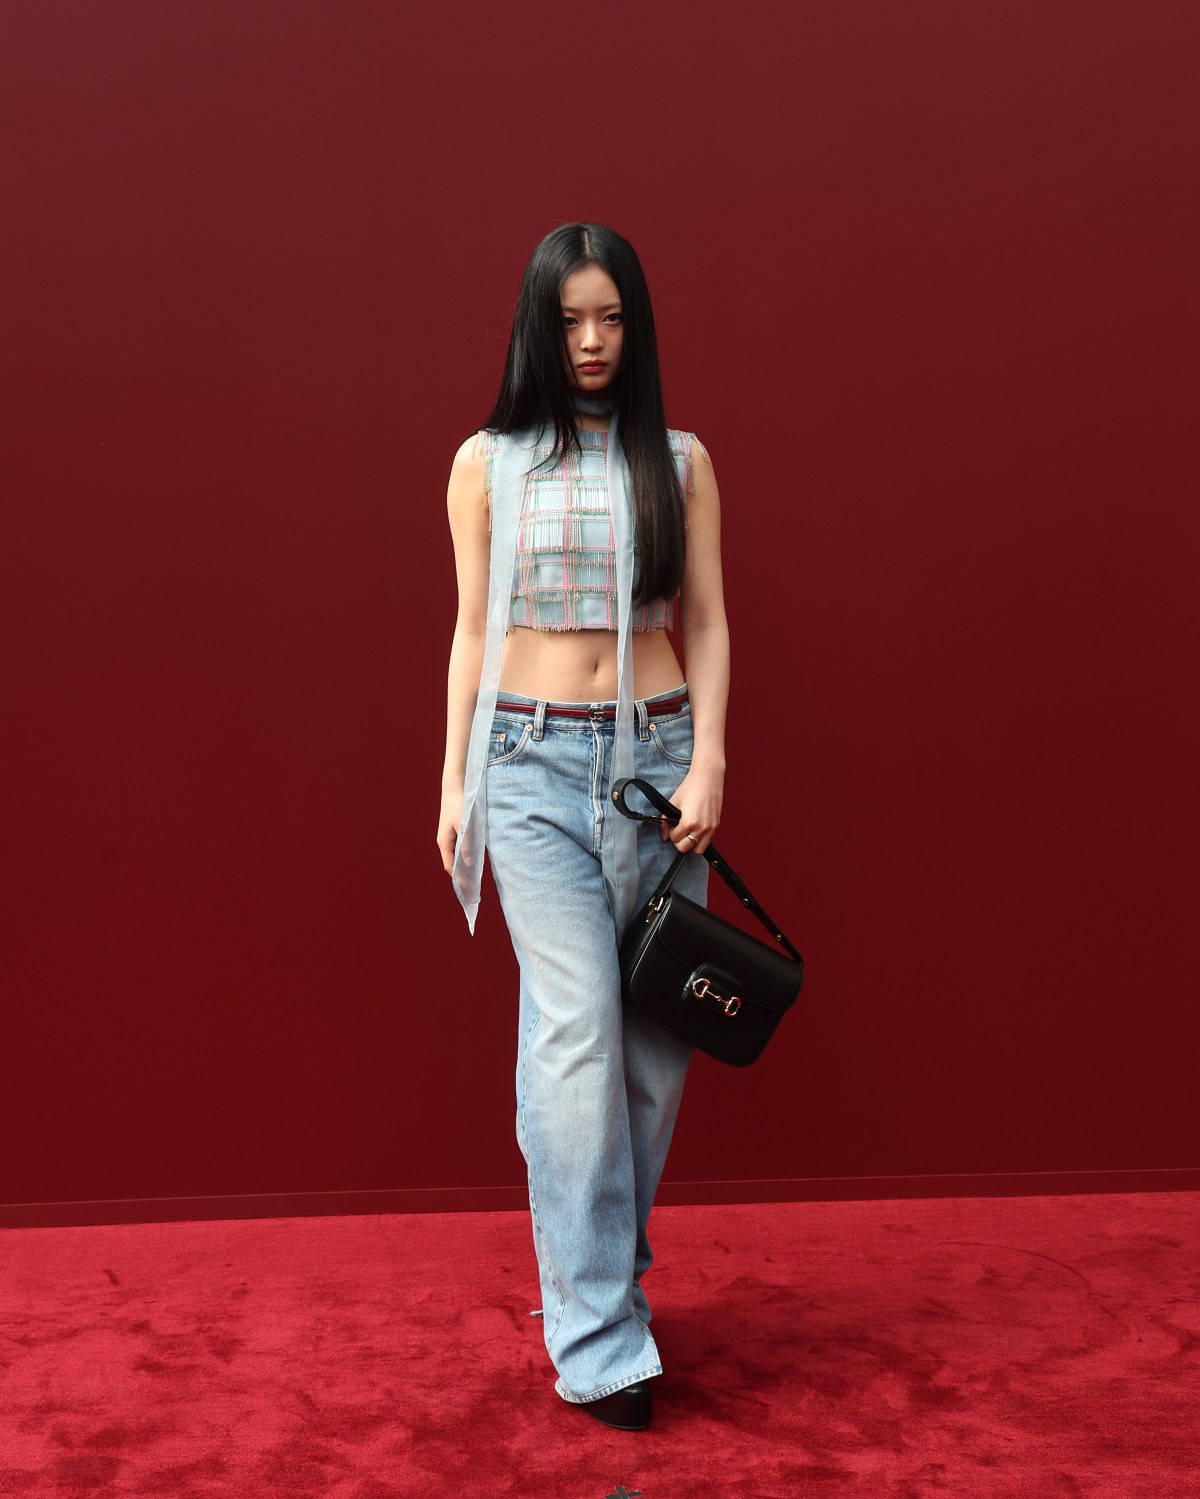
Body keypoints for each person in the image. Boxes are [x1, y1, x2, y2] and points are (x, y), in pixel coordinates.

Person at [436, 221, 730, 1431]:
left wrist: (711, 756)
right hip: (530, 765)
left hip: (659, 763)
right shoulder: (484, 462)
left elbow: (706, 619)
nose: (594, 341)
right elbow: (469, 626)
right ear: (538, 328)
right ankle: (602, 1335)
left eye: (612, 318)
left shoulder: (684, 460)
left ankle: (603, 1268)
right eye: (571, 320)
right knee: (573, 1039)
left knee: (655, 1054)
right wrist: (454, 778)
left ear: (637, 324)